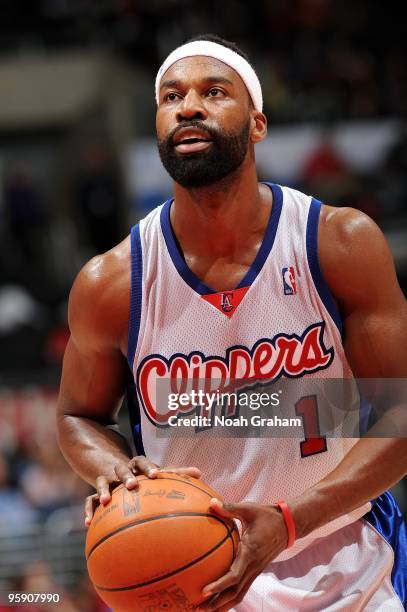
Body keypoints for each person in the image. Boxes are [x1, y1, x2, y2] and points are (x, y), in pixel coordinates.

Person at [57, 35, 407, 611]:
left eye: (213, 92)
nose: (188, 106)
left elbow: (399, 411)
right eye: (171, 96)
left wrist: (290, 523)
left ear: (258, 124)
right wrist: (117, 470)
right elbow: (76, 417)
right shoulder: (112, 283)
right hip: (196, 577)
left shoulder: (337, 242)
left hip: (345, 564)